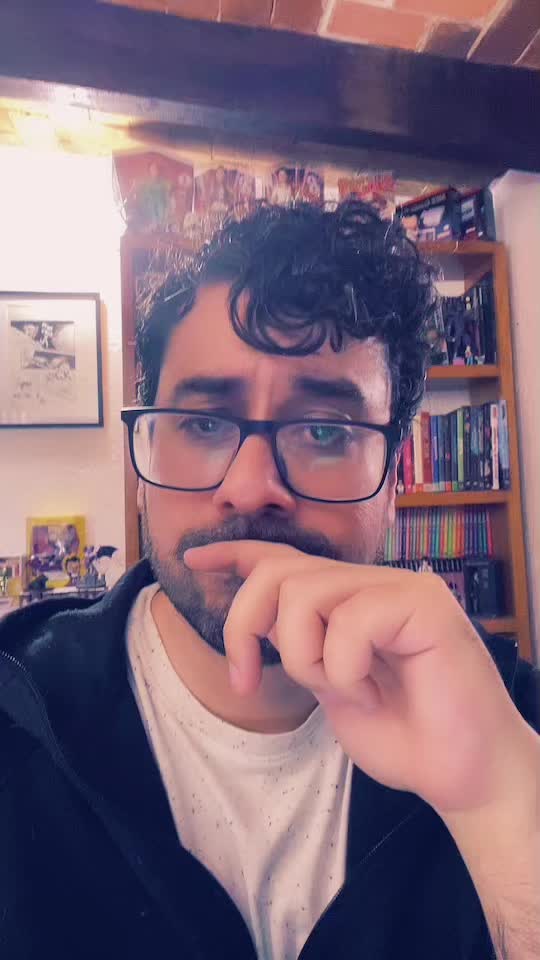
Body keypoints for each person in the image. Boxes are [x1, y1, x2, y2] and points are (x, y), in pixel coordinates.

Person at [0, 200, 538, 960]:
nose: (251, 489)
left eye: (324, 430)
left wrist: (499, 807)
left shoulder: (508, 727)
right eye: (204, 424)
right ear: (144, 458)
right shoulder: (15, 714)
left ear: (394, 481)